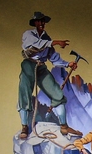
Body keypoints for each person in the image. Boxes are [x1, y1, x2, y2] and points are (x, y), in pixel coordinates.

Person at [18, 11, 82, 139]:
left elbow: (53, 57)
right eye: (39, 21)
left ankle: (64, 126)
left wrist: (67, 64)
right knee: (24, 94)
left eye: (43, 21)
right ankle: (24, 127)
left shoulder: (47, 38)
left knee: (57, 94)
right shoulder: (28, 35)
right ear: (35, 23)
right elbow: (36, 44)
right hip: (29, 65)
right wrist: (56, 42)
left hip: (41, 67)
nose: (42, 23)